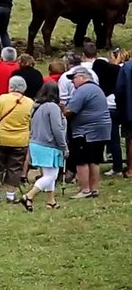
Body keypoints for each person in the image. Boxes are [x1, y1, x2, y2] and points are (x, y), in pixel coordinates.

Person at [64, 67, 110, 199]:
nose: (72, 83)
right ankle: (94, 189)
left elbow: (70, 111)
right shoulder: (96, 88)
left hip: (86, 131)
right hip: (101, 130)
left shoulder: (83, 90)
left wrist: (61, 113)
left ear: (82, 77)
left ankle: (85, 190)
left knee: (81, 160)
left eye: (74, 79)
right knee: (94, 160)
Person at [22, 82, 67, 211]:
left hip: (36, 143)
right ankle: (29, 196)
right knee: (51, 175)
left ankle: (50, 201)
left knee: (48, 173)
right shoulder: (52, 107)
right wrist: (64, 146)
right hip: (49, 145)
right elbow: (57, 128)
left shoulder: (37, 107)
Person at [0, 76, 32, 202]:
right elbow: (31, 122)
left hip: (2, 138)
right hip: (21, 140)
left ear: (10, 86)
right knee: (15, 168)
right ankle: (10, 195)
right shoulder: (29, 102)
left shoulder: (3, 99)